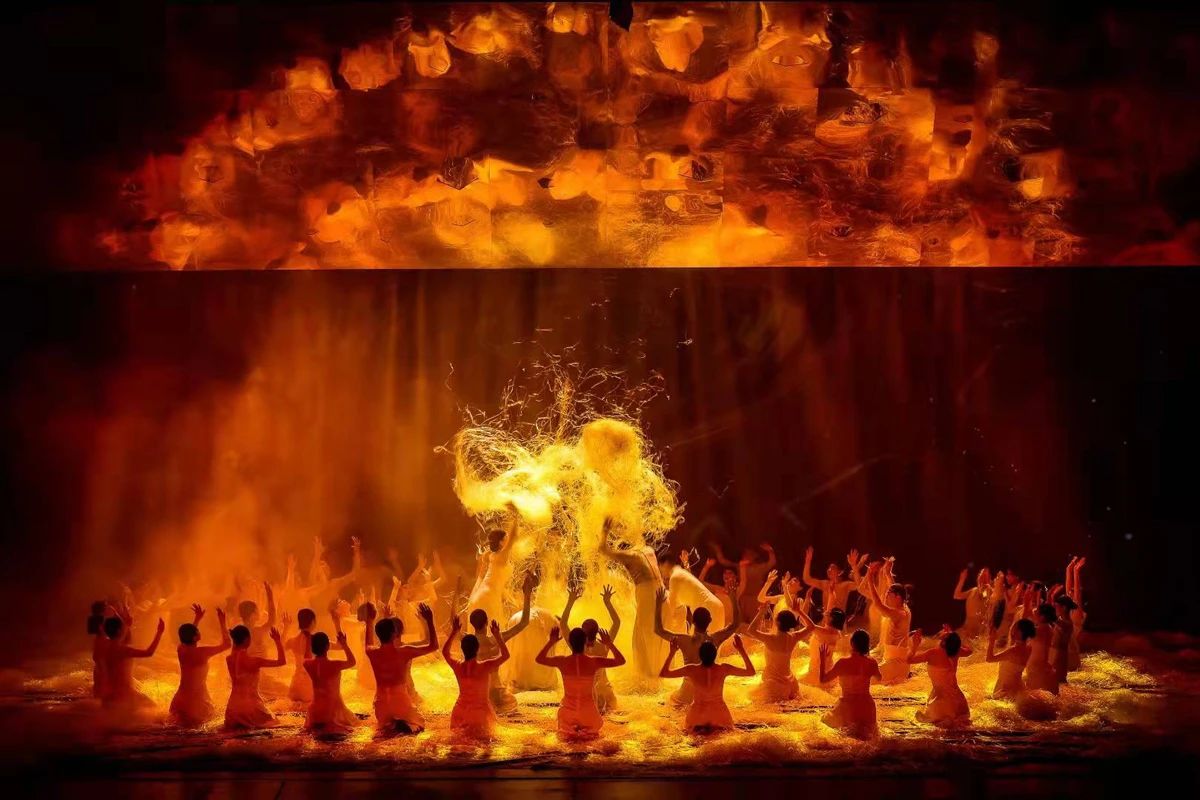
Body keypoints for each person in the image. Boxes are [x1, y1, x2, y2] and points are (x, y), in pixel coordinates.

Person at [599, 518, 667, 681]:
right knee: (655, 633)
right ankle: (655, 672)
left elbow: (603, 550)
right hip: (661, 592)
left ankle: (649, 677)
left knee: (643, 636)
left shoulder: (631, 555)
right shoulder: (648, 550)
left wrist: (605, 532)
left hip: (648, 593)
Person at [535, 625, 626, 739]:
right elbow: (621, 660)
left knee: (566, 741)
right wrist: (609, 644)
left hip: (568, 712)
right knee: (592, 741)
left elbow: (539, 659)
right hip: (588, 712)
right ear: (586, 641)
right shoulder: (593, 661)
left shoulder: (562, 661)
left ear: (570, 642)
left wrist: (551, 642)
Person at [654, 585, 740, 705]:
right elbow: (735, 624)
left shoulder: (684, 640)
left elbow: (658, 630)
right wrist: (733, 598)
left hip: (684, 696)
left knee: (667, 700)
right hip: (706, 695)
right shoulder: (715, 640)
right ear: (710, 620)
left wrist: (658, 604)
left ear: (693, 622)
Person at [464, 572, 534, 714]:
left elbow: (449, 630)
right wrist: (527, 595)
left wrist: (455, 596)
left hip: (479, 692)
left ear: (472, 624)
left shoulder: (469, 642)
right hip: (497, 693)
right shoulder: (496, 639)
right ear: (487, 622)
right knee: (510, 705)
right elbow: (524, 622)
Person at [659, 635, 755, 734]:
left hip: (697, 715)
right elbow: (751, 672)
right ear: (715, 654)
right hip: (720, 715)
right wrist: (741, 649)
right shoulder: (724, 669)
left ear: (700, 655)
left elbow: (664, 673)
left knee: (688, 735)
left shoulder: (691, 669)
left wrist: (672, 652)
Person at [367, 602, 438, 735]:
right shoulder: (404, 651)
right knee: (419, 724)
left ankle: (391, 725)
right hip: (400, 700)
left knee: (385, 727)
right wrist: (429, 620)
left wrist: (370, 620)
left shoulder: (371, 651)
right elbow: (434, 646)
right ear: (395, 633)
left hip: (380, 704)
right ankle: (403, 725)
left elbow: (369, 642)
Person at [560, 583, 622, 713]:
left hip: (586, 693)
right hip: (605, 692)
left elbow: (563, 623)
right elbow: (617, 622)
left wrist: (570, 601)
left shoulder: (576, 645)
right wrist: (607, 602)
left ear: (582, 632)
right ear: (598, 631)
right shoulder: (604, 644)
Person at [444, 616, 509, 738]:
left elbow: (445, 653)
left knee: (457, 742)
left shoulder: (457, 666)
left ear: (462, 649)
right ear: (477, 648)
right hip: (479, 713)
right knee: (483, 743)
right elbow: (505, 655)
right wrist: (497, 636)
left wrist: (454, 632)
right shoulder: (485, 666)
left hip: (459, 711)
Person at [169, 605, 231, 727]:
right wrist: (222, 622)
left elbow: (187, 637)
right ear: (194, 637)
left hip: (180, 699)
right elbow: (227, 644)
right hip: (197, 702)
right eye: (197, 631)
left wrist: (197, 619)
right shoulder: (202, 653)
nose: (199, 631)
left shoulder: (181, 649)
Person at [818, 630, 881, 740]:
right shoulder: (872, 662)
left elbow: (823, 680)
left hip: (848, 706)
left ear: (852, 643)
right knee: (869, 739)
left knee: (824, 723)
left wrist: (823, 660)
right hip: (867, 706)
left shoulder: (843, 662)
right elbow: (879, 678)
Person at [224, 624, 285, 730]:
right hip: (251, 706)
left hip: (233, 707)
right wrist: (277, 641)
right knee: (276, 723)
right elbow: (281, 661)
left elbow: (237, 655)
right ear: (247, 639)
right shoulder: (254, 661)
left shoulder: (229, 659)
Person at [466, 504, 519, 627]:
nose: (507, 541)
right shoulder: (500, 556)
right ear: (500, 542)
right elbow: (513, 537)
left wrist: (510, 597)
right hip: (488, 597)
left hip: (485, 594)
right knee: (492, 630)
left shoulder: (493, 556)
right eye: (505, 539)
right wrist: (515, 516)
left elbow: (496, 580)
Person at [101, 614, 166, 713]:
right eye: (122, 628)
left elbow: (121, 637)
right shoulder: (122, 650)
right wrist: (159, 633)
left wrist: (127, 625)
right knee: (156, 710)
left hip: (109, 694)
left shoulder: (105, 646)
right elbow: (149, 653)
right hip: (124, 695)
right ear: (119, 631)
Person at [909, 627, 972, 727]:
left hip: (940, 702)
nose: (943, 631)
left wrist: (915, 645)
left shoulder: (932, 653)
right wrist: (955, 640)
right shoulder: (956, 651)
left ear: (944, 641)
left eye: (945, 633)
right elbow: (969, 651)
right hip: (958, 700)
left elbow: (909, 660)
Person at [742, 604, 806, 701]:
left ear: (778, 622)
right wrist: (800, 611)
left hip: (774, 684)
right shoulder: (794, 637)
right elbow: (811, 627)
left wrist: (761, 612)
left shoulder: (770, 638)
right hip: (791, 682)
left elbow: (751, 630)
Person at [303, 630, 358, 736]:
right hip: (331, 711)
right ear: (327, 647)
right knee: (357, 728)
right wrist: (344, 645)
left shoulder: (307, 664)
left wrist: (308, 640)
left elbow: (306, 657)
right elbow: (352, 662)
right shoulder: (334, 665)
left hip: (313, 712)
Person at [865, 561, 912, 684]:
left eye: (888, 594)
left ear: (898, 597)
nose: (886, 595)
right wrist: (888, 574)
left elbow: (878, 604)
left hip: (895, 663)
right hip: (892, 660)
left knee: (862, 679)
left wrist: (870, 578)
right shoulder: (902, 607)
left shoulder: (900, 613)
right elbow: (894, 587)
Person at [711, 542, 776, 620]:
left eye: (749, 555)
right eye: (745, 555)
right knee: (740, 620)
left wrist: (770, 551)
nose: (746, 557)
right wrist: (718, 550)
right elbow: (724, 561)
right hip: (742, 597)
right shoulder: (740, 566)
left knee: (755, 621)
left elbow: (772, 563)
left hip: (755, 599)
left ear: (754, 556)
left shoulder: (760, 568)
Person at [802, 546, 866, 613]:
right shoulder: (825, 584)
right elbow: (807, 579)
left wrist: (854, 565)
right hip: (825, 618)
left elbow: (860, 585)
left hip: (838, 619)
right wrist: (807, 561)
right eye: (828, 568)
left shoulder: (845, 585)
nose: (829, 570)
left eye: (832, 568)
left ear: (839, 572)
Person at [987, 618, 1035, 699]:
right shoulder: (1028, 648)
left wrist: (991, 641)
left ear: (1020, 632)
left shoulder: (1013, 651)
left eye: (1014, 628)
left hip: (1005, 689)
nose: (1012, 630)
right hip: (1018, 687)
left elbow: (989, 659)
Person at [1022, 597, 1059, 694]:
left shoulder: (1039, 630)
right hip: (1044, 666)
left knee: (1034, 694)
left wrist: (1026, 607)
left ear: (1042, 617)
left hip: (1036, 666)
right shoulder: (1048, 628)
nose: (1033, 613)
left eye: (1036, 612)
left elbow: (1022, 628)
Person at [283, 608, 317, 704]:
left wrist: (286, 628)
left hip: (296, 683)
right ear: (313, 622)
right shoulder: (318, 640)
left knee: (292, 709)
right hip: (310, 684)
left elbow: (281, 647)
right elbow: (339, 646)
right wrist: (337, 623)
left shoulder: (293, 641)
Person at [952, 567, 992, 641]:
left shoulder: (988, 590)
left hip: (978, 629)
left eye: (984, 576)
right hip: (967, 627)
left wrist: (985, 586)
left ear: (989, 579)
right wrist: (962, 579)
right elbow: (956, 595)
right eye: (981, 575)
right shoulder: (973, 590)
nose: (982, 578)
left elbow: (984, 597)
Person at [1064, 557, 1087, 671]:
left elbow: (1077, 592)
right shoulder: (1070, 611)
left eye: (1072, 591)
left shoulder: (1078, 613)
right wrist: (1069, 568)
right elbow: (1069, 588)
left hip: (1071, 653)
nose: (1070, 591)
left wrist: (1076, 571)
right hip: (1067, 650)